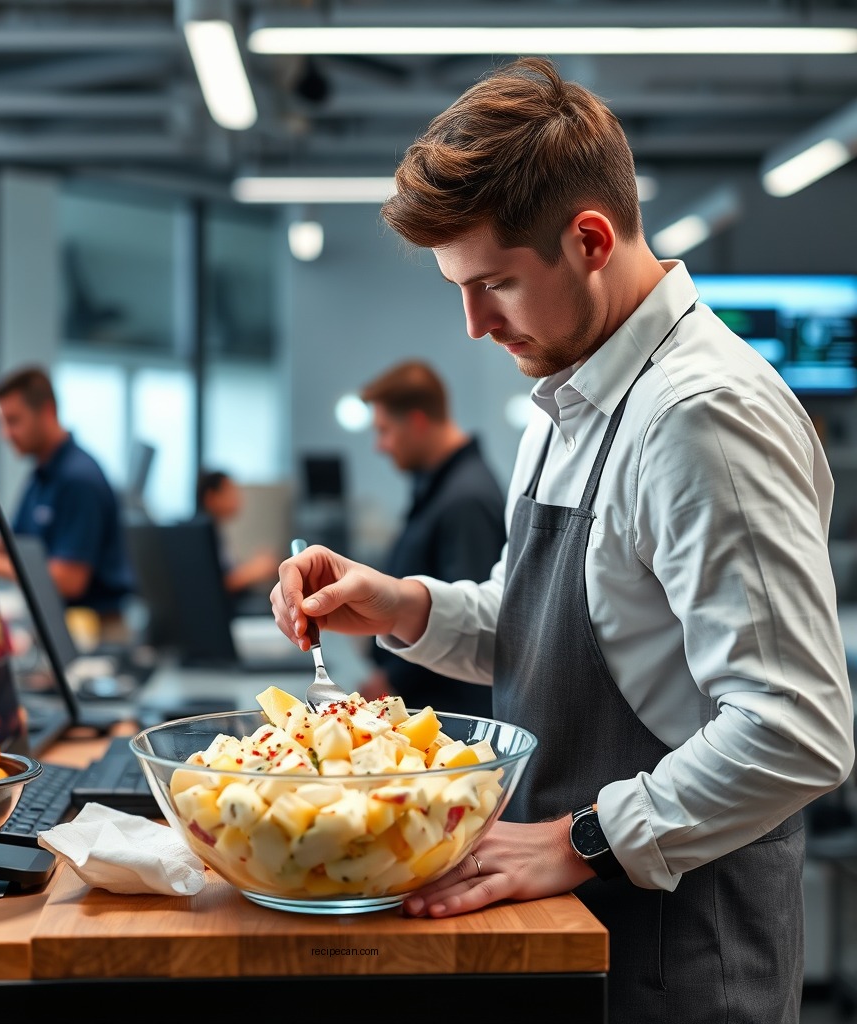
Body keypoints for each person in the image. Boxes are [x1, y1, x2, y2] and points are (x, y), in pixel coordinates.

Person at [271, 57, 854, 1023]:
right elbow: (547, 621)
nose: (471, 325)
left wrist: (578, 840)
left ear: (589, 240)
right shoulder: (569, 392)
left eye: (494, 283)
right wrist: (405, 604)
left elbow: (796, 730)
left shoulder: (702, 416)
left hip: (680, 955)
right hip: (577, 932)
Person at [357, 360, 505, 717]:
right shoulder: (442, 489)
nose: (380, 446)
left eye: (385, 430)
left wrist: (393, 680)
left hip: (449, 717)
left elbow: (470, 621)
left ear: (418, 422)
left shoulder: (466, 498)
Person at [0, 365, 135, 637]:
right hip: (61, 629)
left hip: (96, 633)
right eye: (2, 423)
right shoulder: (42, 475)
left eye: (14, 421)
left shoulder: (78, 479)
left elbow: (69, 580)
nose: (6, 434)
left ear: (47, 412)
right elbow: (18, 542)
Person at [196, 469, 280, 611]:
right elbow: (211, 584)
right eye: (230, 492)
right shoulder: (202, 535)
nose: (238, 498)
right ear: (211, 497)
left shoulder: (215, 530)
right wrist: (254, 571)